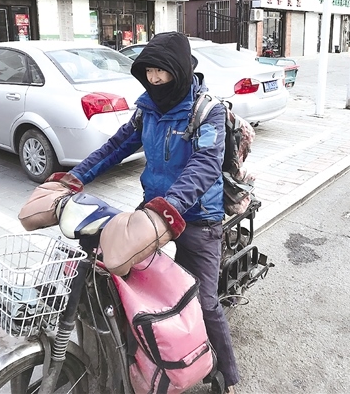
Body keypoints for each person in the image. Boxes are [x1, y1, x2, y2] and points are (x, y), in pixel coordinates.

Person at [67, 31, 239, 393]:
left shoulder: (206, 111)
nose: (155, 79)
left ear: (179, 70)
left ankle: (226, 374)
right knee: (125, 280)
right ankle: (142, 355)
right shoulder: (147, 110)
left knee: (203, 300)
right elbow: (116, 147)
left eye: (162, 71)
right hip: (154, 212)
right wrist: (75, 176)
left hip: (198, 217)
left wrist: (170, 206)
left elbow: (205, 164)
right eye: (148, 71)